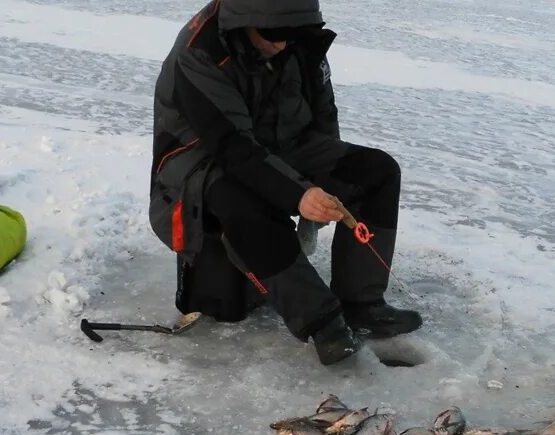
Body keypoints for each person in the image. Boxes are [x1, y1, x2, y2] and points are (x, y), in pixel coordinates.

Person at [149, 0, 421, 365]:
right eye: (274, 35)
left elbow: (324, 115)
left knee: (376, 171)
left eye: (291, 36)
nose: (282, 44)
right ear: (245, 22)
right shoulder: (200, 53)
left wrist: (326, 185)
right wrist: (299, 194)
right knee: (241, 202)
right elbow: (232, 146)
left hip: (284, 145)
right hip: (203, 162)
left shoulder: (299, 38)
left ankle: (362, 304)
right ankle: (324, 324)